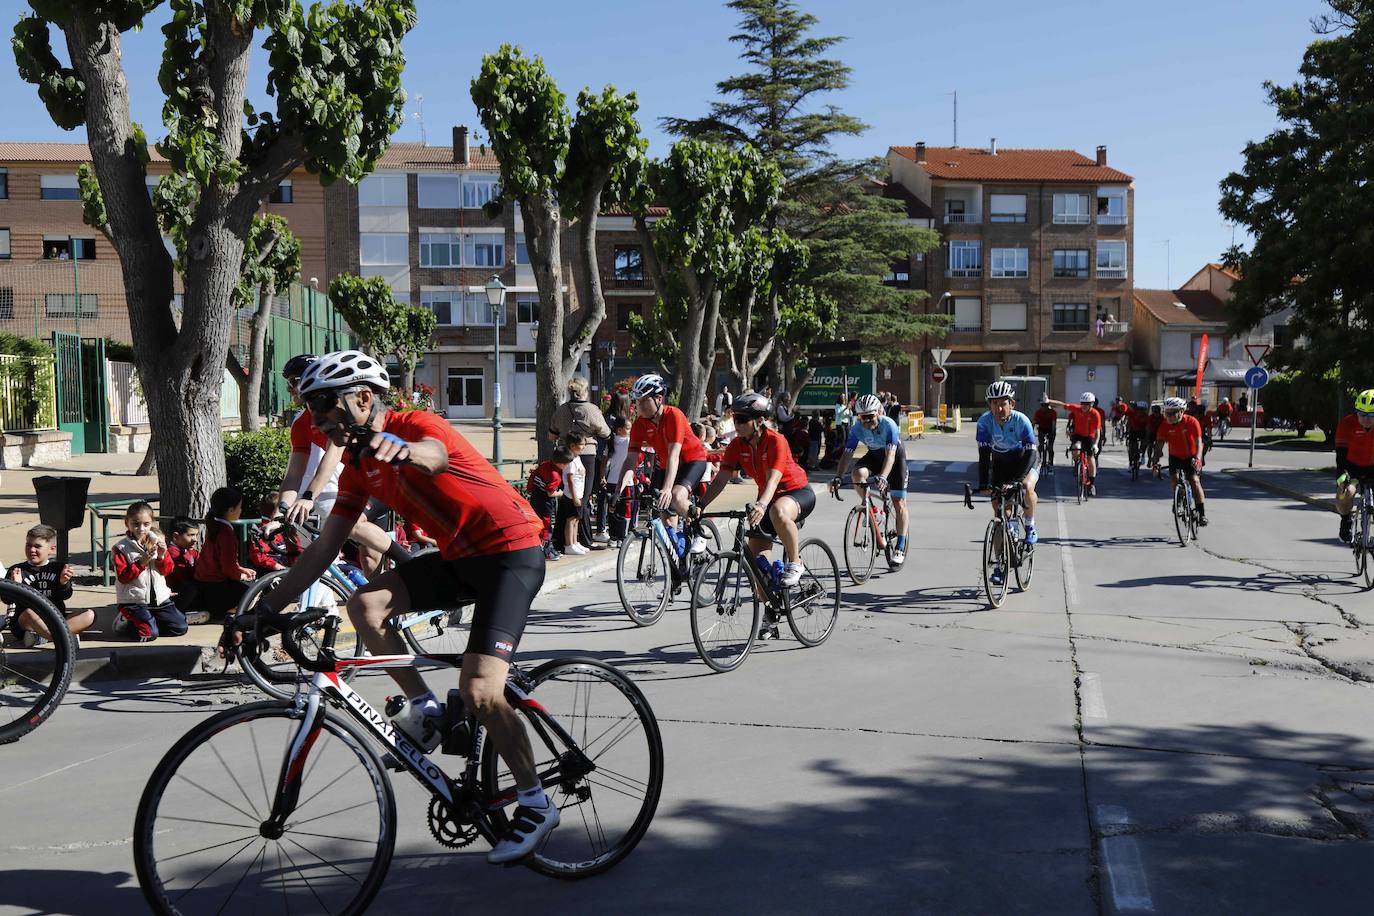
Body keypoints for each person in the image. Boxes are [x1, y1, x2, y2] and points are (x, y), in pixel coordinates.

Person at [245, 349, 556, 863]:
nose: (318, 422)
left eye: (324, 406)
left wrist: (403, 450)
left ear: (363, 398)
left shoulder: (415, 425)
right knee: (365, 607)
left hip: (511, 552)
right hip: (459, 557)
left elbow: (434, 454)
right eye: (312, 410)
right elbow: (323, 549)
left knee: (480, 691)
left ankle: (536, 803)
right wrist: (263, 611)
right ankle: (427, 709)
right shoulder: (358, 470)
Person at [275, 354, 406, 577]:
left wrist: (308, 497)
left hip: (379, 480)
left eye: (293, 381)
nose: (290, 389)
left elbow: (333, 455)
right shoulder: (301, 423)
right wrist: (281, 511)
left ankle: (407, 560)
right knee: (368, 561)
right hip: (357, 482)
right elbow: (294, 474)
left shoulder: (335, 413)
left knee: (349, 526)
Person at [697, 393, 815, 604]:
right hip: (767, 501)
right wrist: (701, 505)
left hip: (796, 493)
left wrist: (761, 504)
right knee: (757, 565)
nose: (737, 423)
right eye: (735, 418)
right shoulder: (736, 446)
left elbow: (773, 479)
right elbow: (721, 478)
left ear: (759, 420)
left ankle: (796, 562)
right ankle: (772, 611)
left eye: (742, 419)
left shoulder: (776, 441)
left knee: (777, 510)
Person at [619, 374, 711, 559]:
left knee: (675, 496)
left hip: (692, 460)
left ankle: (699, 532)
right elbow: (630, 460)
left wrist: (668, 489)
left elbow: (674, 454)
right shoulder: (640, 424)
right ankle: (677, 563)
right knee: (663, 514)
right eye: (637, 401)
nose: (639, 406)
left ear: (659, 399)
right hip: (666, 464)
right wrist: (618, 490)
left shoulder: (674, 415)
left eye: (644, 401)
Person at [830, 393, 911, 566]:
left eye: (870, 416)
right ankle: (873, 510)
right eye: (862, 417)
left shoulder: (889, 425)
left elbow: (890, 456)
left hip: (895, 458)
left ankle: (900, 546)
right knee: (857, 474)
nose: (866, 421)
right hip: (874, 456)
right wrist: (838, 476)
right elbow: (847, 453)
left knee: (898, 502)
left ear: (879, 412)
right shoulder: (857, 428)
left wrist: (883, 477)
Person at [975, 381, 1040, 586]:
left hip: (1025, 461)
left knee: (1027, 486)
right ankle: (1000, 566)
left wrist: (1018, 481)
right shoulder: (984, 422)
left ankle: (1030, 526)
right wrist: (984, 482)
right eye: (993, 404)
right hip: (1001, 464)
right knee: (999, 515)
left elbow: (1031, 452)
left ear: (1011, 403)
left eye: (1002, 404)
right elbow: (984, 455)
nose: (998, 409)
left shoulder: (1022, 421)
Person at [112, 502, 188, 642]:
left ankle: (148, 622)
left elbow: (167, 570)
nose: (141, 529)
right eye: (136, 524)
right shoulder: (121, 547)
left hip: (159, 599)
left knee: (180, 627)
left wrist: (161, 556)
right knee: (148, 634)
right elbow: (123, 577)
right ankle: (127, 621)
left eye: (146, 524)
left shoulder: (157, 540)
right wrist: (142, 563)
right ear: (127, 523)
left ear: (152, 523)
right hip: (134, 601)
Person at [6, 525, 91, 649]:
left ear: (52, 549)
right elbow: (6, 600)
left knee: (90, 615)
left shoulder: (59, 568)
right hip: (26, 621)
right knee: (30, 612)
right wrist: (15, 586)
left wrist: (63, 583)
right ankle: (63, 639)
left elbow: (65, 595)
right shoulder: (17, 570)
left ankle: (41, 636)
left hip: (55, 618)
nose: (32, 550)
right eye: (28, 545)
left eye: (37, 546)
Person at [550, 376, 611, 545]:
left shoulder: (561, 410)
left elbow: (551, 435)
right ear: (584, 391)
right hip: (587, 453)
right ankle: (584, 538)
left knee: (567, 497)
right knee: (584, 496)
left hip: (565, 454)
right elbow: (606, 432)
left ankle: (561, 538)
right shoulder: (592, 410)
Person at [193, 486, 257, 618]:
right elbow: (228, 567)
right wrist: (240, 575)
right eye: (239, 507)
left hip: (204, 583)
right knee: (253, 589)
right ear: (231, 509)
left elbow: (220, 560)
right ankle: (227, 611)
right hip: (218, 588)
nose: (241, 510)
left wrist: (240, 569)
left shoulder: (214, 526)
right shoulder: (226, 533)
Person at [1149, 396, 1208, 526]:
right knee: (1174, 477)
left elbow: (1199, 443)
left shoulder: (1192, 422)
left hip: (1192, 456)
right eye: (1166, 413)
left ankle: (1201, 513)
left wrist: (1198, 459)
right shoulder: (1164, 425)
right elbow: (1158, 446)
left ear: (1182, 411)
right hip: (1175, 456)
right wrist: (1155, 463)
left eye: (1172, 413)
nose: (1168, 416)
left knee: (1194, 480)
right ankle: (1178, 501)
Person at [1333, 389, 1374, 543]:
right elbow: (1341, 454)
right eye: (1362, 414)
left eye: (1371, 415)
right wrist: (1343, 476)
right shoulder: (1347, 423)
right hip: (1351, 466)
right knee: (1346, 492)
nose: (1366, 419)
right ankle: (1345, 520)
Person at [1045, 393, 1102, 495]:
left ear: (1092, 404)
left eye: (1087, 404)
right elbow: (1063, 405)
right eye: (1083, 403)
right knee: (1075, 448)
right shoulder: (1077, 409)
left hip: (1089, 437)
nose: (1084, 406)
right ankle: (1077, 463)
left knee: (1090, 458)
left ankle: (1092, 484)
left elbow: (1097, 431)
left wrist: (1096, 444)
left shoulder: (1095, 414)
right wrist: (1049, 401)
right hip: (1078, 435)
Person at [527, 446, 572, 560]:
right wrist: (561, 493)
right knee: (547, 526)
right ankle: (547, 552)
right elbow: (550, 493)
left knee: (537, 524)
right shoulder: (555, 475)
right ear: (561, 463)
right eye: (566, 464)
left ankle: (541, 549)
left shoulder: (544, 464)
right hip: (546, 503)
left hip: (535, 498)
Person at [602, 416, 633, 546]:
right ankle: (623, 538)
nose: (630, 431)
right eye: (628, 428)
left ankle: (613, 538)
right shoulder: (629, 441)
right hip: (626, 483)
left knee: (612, 509)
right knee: (625, 511)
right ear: (619, 430)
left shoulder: (611, 441)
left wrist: (602, 476)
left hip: (611, 481)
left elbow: (604, 461)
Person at [165, 517, 204, 620]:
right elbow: (182, 579)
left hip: (189, 590)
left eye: (196, 535)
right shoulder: (172, 554)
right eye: (190, 535)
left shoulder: (191, 551)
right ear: (175, 536)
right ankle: (178, 613)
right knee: (191, 588)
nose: (195, 539)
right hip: (177, 594)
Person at [558, 432, 590, 555]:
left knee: (576, 519)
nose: (583, 447)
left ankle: (575, 542)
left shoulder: (577, 458)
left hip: (578, 494)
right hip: (572, 495)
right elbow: (570, 480)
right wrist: (575, 497)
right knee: (571, 520)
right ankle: (568, 544)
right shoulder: (570, 460)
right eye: (581, 444)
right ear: (572, 445)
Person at [1032, 395, 1058, 471]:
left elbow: (1053, 423)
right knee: (1040, 446)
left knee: (1050, 447)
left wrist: (1052, 433)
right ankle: (1040, 459)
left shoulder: (1053, 412)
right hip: (1042, 429)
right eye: (1043, 405)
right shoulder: (1038, 412)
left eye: (1046, 405)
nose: (1044, 407)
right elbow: (1034, 422)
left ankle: (1050, 462)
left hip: (1051, 430)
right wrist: (1031, 432)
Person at [1126, 400, 1151, 469]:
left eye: (1142, 410)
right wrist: (1127, 433)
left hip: (1142, 431)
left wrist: (1147, 437)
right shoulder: (1132, 414)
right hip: (1133, 431)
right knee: (1131, 447)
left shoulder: (1146, 417)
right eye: (1139, 409)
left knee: (1144, 442)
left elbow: (1148, 427)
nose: (1140, 411)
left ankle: (1142, 455)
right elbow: (1128, 423)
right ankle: (1130, 463)